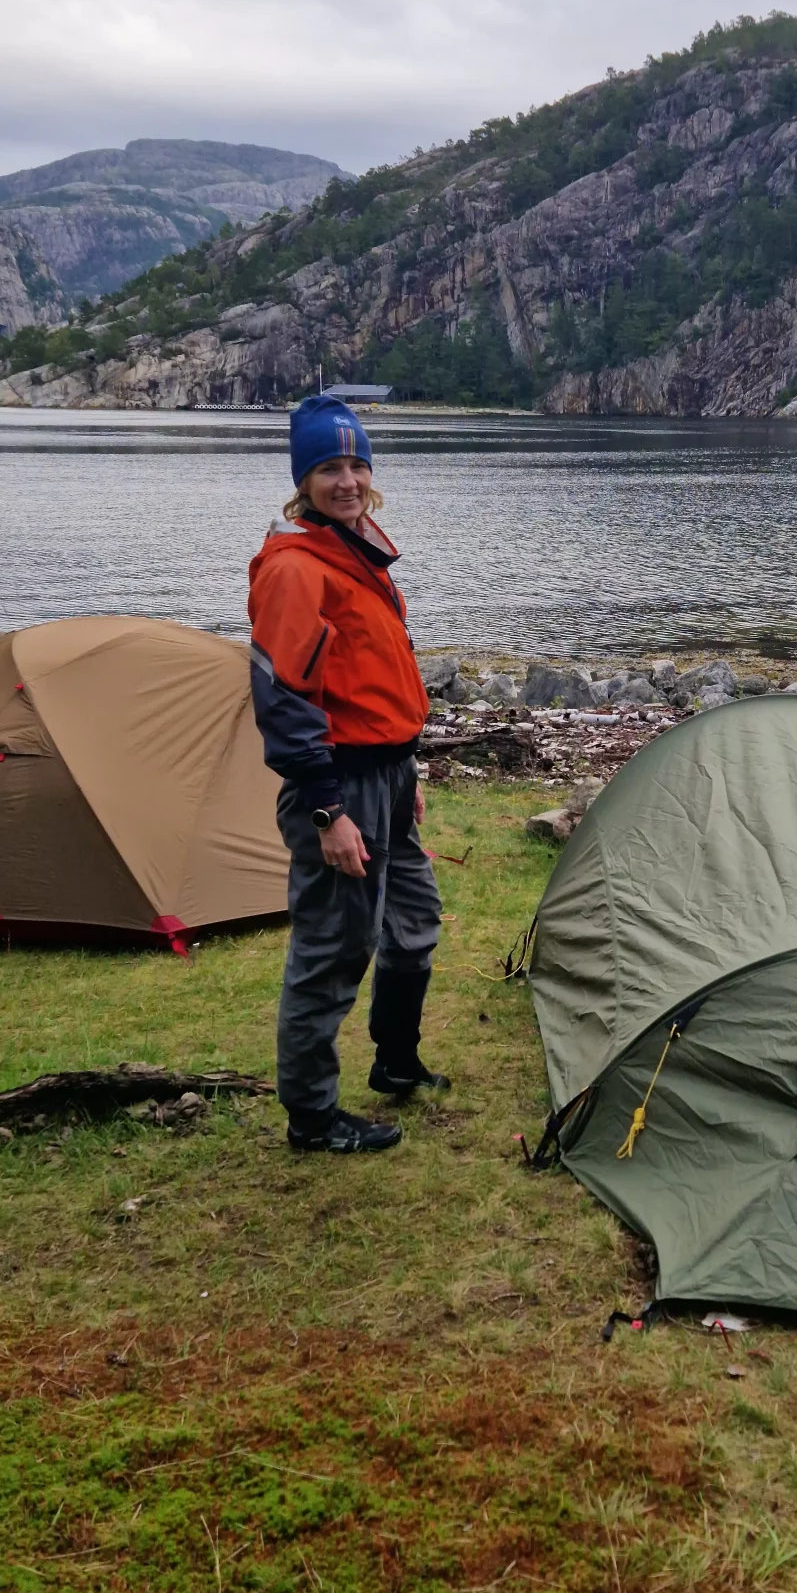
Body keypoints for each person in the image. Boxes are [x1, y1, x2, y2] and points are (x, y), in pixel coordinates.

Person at [248, 392, 447, 1153]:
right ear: (305, 482)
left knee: (414, 923)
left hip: (388, 777)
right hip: (341, 786)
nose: (348, 480)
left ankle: (396, 1061)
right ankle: (311, 1116)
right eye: (329, 467)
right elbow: (285, 696)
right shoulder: (298, 568)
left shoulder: (355, 552)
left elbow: (374, 676)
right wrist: (329, 811)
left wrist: (407, 767)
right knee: (332, 950)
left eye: (357, 464)